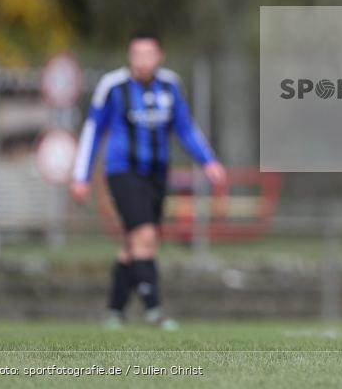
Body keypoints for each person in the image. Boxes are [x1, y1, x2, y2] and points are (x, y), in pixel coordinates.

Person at [70, 31, 227, 329]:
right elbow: (93, 130)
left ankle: (115, 311)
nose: (141, 61)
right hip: (123, 172)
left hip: (156, 174)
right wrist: (82, 176)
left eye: (147, 55)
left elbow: (185, 128)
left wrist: (209, 161)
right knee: (144, 237)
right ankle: (154, 309)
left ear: (159, 57)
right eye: (135, 55)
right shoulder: (113, 87)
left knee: (133, 246)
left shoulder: (170, 85)